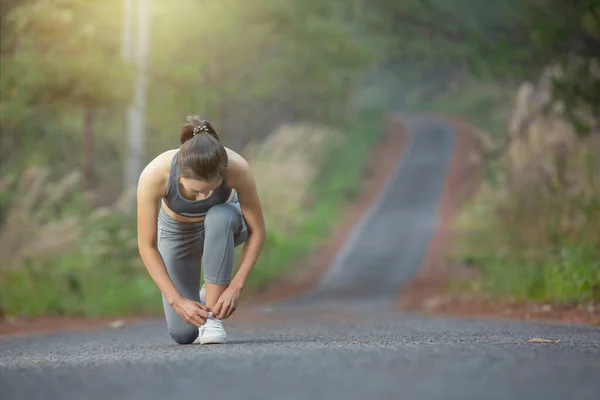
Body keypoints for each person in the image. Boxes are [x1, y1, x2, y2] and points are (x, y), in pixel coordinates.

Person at [136, 115, 266, 345]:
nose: (204, 196)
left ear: (222, 174)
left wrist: (235, 286)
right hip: (178, 233)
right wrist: (176, 300)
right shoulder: (155, 175)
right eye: (196, 190)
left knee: (217, 215)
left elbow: (257, 230)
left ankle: (213, 320)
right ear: (180, 173)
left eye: (211, 189)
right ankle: (206, 298)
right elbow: (147, 245)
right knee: (184, 333)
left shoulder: (237, 168)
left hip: (227, 226)